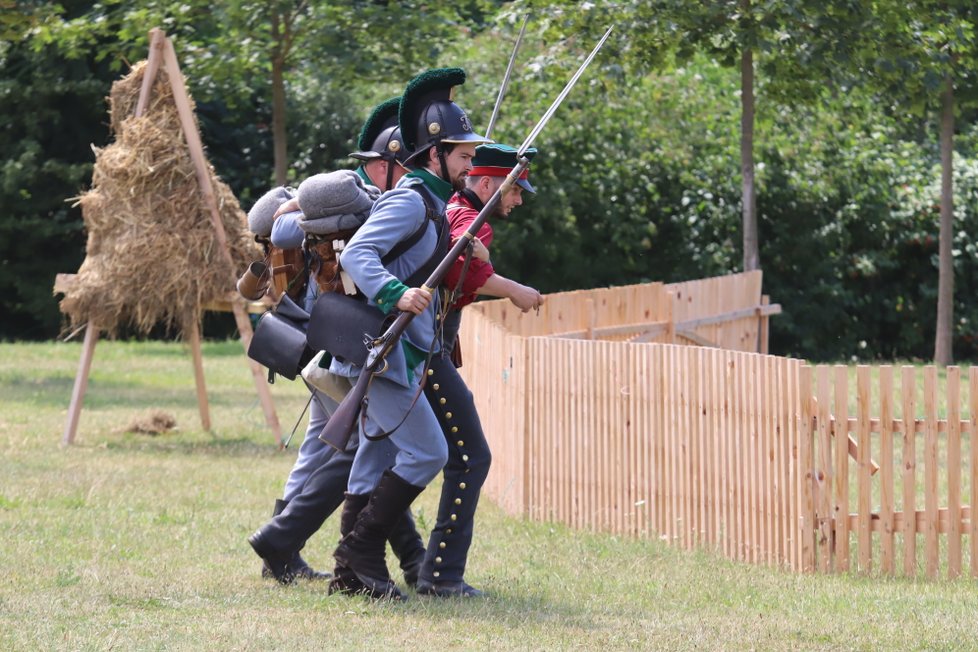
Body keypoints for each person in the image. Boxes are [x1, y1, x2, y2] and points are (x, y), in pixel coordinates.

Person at [248, 98, 427, 585]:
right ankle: (282, 539)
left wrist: (297, 203)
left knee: (338, 448)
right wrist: (303, 203)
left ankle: (283, 546)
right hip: (342, 344)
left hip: (325, 342)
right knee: (362, 449)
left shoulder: (343, 204)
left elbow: (278, 224)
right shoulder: (361, 203)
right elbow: (276, 224)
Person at [328, 68, 491, 601]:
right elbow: (358, 255)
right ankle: (360, 551)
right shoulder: (410, 199)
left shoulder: (434, 203)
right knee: (427, 454)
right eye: (464, 156)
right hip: (389, 348)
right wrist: (395, 293)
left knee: (373, 460)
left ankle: (351, 574)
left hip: (403, 349)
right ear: (435, 154)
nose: (472, 165)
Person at [415, 143, 544, 598]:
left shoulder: (456, 209)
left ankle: (415, 563)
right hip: (425, 348)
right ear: (487, 185)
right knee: (471, 457)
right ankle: (440, 576)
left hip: (430, 347)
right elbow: (459, 273)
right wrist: (512, 289)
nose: (519, 199)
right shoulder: (472, 221)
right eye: (515, 190)